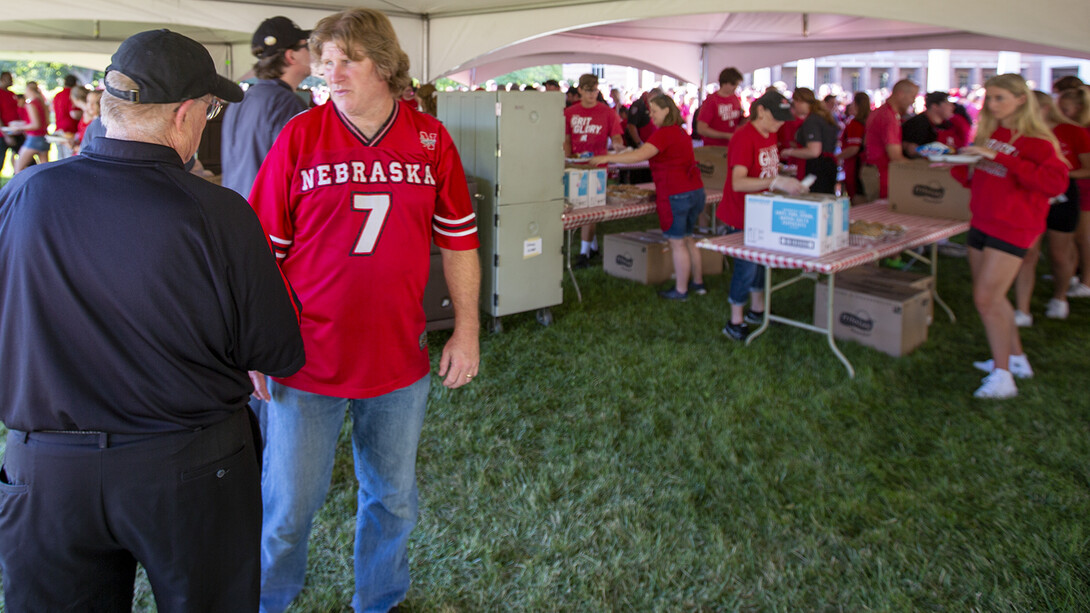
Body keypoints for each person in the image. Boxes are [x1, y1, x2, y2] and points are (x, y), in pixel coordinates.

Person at [0, 29, 305, 610]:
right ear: (185, 114)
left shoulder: (25, 193)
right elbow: (276, 351)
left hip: (46, 472)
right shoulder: (219, 214)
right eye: (211, 111)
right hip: (189, 470)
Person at [247, 8, 481, 613]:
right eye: (324, 61)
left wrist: (468, 329)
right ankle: (268, 601)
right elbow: (261, 252)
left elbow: (459, 240)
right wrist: (254, 342)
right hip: (306, 358)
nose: (332, 72)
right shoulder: (300, 135)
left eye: (347, 59)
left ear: (384, 62)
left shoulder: (430, 138)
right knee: (288, 507)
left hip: (398, 357)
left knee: (393, 498)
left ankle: (379, 600)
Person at [950, 74, 1068, 399]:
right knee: (993, 297)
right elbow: (985, 178)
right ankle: (1015, 360)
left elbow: (1054, 184)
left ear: (1021, 99)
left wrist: (999, 157)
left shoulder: (1038, 141)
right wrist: (958, 165)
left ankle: (1003, 377)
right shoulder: (994, 133)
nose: (993, 104)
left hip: (1013, 225)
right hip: (983, 220)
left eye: (1000, 97)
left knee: (986, 300)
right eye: (990, 98)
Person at [585, 94, 707, 300]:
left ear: (666, 110)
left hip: (676, 193)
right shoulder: (680, 132)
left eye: (654, 111)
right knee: (688, 238)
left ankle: (681, 290)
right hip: (694, 190)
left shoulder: (663, 134)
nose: (651, 116)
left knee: (677, 242)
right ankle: (698, 283)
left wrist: (606, 157)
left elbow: (639, 156)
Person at [716, 90, 807, 341]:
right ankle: (735, 320)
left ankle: (757, 310)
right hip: (742, 213)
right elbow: (738, 182)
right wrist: (777, 181)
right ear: (761, 112)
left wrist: (781, 179)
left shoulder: (770, 133)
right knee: (746, 266)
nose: (779, 123)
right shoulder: (744, 138)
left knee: (760, 263)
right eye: (775, 117)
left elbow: (767, 170)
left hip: (762, 210)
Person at [1011, 90, 1089, 324]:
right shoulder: (1022, 132)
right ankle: (1022, 309)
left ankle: (1060, 296)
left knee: (1059, 252)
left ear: (1043, 108)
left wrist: (1057, 175)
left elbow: (1088, 167)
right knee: (1028, 253)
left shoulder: (1074, 131)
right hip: (1031, 195)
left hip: (1063, 193)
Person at [221, 16, 312, 199]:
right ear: (290, 55)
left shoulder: (241, 100)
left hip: (239, 214)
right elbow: (302, 174)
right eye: (306, 46)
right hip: (270, 220)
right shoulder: (287, 103)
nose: (312, 52)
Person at [564, 73, 624, 269]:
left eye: (595, 90)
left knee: (590, 208)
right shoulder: (570, 112)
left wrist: (618, 146)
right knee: (581, 207)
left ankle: (583, 253)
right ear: (580, 90)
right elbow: (566, 139)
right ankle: (592, 246)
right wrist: (567, 160)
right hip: (575, 166)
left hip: (598, 167)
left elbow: (616, 137)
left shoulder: (607, 112)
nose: (592, 94)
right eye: (589, 90)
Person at [1056, 87, 1090, 298]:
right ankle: (1071, 275)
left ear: (1078, 108)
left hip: (1083, 189)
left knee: (1082, 237)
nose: (1060, 111)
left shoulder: (1082, 131)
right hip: (1070, 188)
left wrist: (1063, 173)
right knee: (1071, 237)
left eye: (1065, 108)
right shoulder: (1069, 128)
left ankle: (1086, 281)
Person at [862, 79, 918, 200]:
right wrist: (919, 167)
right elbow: (895, 156)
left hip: (873, 170)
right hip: (881, 174)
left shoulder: (880, 112)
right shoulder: (889, 116)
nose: (913, 101)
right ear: (901, 94)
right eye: (912, 96)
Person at [780, 87, 839, 194]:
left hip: (818, 168)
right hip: (828, 165)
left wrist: (789, 152)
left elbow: (814, 151)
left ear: (798, 101)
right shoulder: (822, 116)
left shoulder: (812, 121)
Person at [696, 67, 744, 147]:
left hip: (733, 145)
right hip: (714, 147)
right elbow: (701, 129)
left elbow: (737, 121)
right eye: (733, 84)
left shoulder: (735, 98)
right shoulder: (711, 101)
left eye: (737, 84)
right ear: (724, 83)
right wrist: (726, 136)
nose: (735, 87)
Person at [902, 91, 957, 157]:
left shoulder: (947, 125)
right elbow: (911, 150)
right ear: (934, 106)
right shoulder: (917, 124)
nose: (952, 107)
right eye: (948, 103)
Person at [838, 91, 870, 203]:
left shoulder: (855, 124)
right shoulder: (868, 121)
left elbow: (853, 148)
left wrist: (836, 157)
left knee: (857, 199)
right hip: (867, 166)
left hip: (855, 166)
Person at [12, 81, 49, 173]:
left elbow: (36, 124)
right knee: (44, 171)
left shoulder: (31, 104)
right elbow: (45, 122)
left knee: (18, 169)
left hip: (34, 138)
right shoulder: (42, 103)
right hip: (44, 138)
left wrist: (19, 128)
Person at [52, 74, 82, 159]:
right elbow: (74, 114)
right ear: (75, 83)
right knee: (69, 159)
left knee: (60, 159)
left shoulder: (58, 95)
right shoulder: (72, 94)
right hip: (70, 131)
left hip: (59, 129)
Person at [0, 71, 24, 171]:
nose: (11, 80)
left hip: (16, 132)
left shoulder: (11, 94)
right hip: (3, 134)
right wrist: (6, 135)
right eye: (8, 78)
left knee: (27, 160)